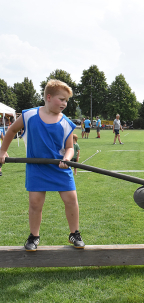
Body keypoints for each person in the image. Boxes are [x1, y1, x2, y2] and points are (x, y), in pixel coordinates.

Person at [0, 79, 85, 251]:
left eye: (66, 100)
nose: (65, 103)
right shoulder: (29, 115)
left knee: (71, 199)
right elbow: (12, 130)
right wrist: (2, 151)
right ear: (48, 97)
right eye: (61, 99)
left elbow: (69, 148)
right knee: (35, 203)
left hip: (60, 167)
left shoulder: (66, 122)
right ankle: (34, 236)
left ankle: (74, 233)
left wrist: (67, 159)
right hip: (36, 167)